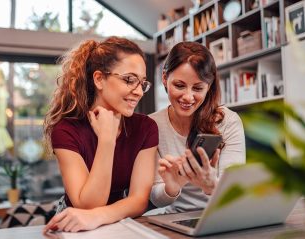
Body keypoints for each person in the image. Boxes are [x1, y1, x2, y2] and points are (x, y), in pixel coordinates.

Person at [43, 36, 158, 233]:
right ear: (99, 79)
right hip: (76, 227)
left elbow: (139, 201)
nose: (139, 91)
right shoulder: (65, 130)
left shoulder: (145, 128)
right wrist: (107, 140)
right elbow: (87, 206)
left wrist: (100, 216)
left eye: (142, 83)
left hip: (120, 221)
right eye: (129, 80)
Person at [149, 41, 245, 214]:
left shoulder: (227, 121)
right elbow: (155, 198)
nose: (188, 97)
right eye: (179, 85)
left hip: (222, 214)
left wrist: (211, 185)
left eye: (198, 88)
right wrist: (172, 187)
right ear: (164, 78)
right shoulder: (152, 125)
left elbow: (235, 192)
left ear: (209, 86)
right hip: (175, 218)